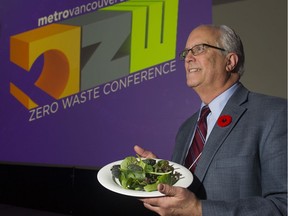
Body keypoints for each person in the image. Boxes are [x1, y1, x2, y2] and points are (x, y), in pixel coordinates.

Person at [134, 24, 287, 216]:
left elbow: (283, 206)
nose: (188, 58)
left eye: (199, 49)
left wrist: (199, 210)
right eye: (186, 53)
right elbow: (184, 197)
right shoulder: (186, 129)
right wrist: (161, 175)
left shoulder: (275, 114)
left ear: (230, 61)